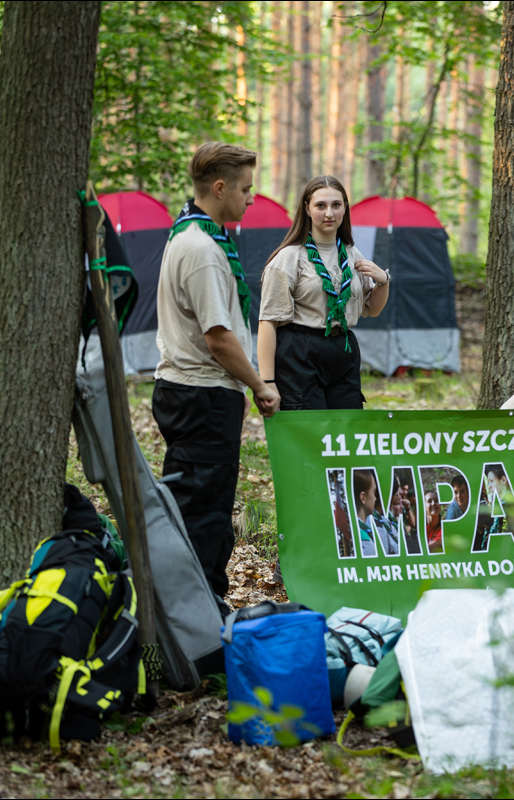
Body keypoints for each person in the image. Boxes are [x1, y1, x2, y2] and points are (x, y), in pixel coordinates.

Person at [152, 142, 279, 600]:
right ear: (220, 188)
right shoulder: (202, 249)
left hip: (196, 392)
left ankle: (190, 603)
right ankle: (197, 609)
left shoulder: (191, 235)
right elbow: (218, 338)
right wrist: (259, 385)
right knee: (204, 515)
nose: (252, 197)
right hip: (201, 395)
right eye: (246, 188)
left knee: (200, 506)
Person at [257, 176, 390, 410]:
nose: (329, 213)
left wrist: (383, 282)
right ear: (307, 209)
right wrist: (267, 382)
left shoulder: (352, 254)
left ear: (345, 208)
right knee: (309, 427)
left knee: (346, 425)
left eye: (336, 205)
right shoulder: (289, 258)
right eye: (321, 205)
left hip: (344, 348)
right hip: (300, 351)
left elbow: (373, 310)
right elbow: (268, 321)